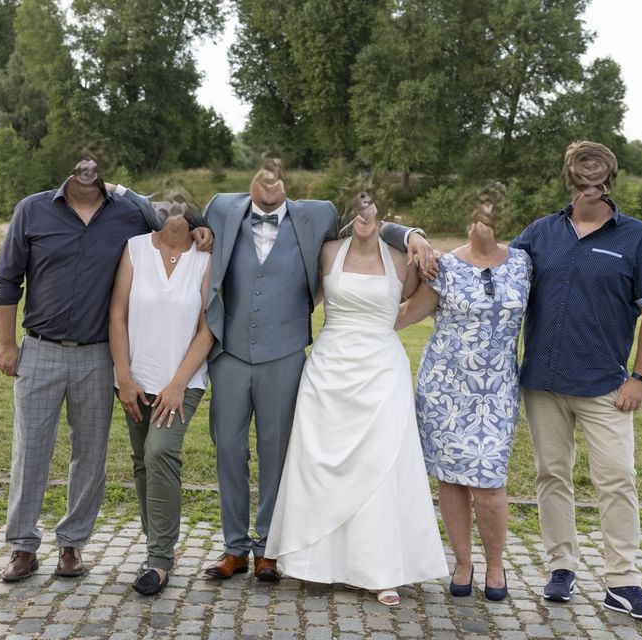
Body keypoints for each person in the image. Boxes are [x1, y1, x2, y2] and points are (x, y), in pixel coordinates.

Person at [200, 161, 439, 583]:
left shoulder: (318, 216)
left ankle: (269, 548)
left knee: (279, 452)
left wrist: (412, 234)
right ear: (250, 180)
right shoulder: (221, 206)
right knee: (228, 450)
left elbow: (369, 224)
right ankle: (234, 547)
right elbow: (179, 220)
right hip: (231, 353)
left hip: (286, 353)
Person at [0, 158, 211, 583]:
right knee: (31, 450)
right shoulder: (32, 209)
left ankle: (72, 545)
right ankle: (22, 546)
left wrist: (206, 230)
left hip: (96, 356)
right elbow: (6, 279)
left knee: (89, 455)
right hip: (39, 349)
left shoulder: (130, 212)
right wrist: (5, 344)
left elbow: (177, 212)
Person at [511, 141, 642, 619]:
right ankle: (561, 567)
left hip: (606, 385)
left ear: (610, 180)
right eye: (582, 178)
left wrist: (640, 377)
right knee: (551, 475)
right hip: (542, 382)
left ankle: (622, 581)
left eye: (599, 178)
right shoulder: (540, 234)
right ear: (570, 179)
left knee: (617, 479)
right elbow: (496, 276)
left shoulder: (635, 236)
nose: (591, 186)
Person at [266, 192, 448, 605]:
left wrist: (414, 237)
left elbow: (425, 297)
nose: (364, 214)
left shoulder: (402, 260)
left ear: (384, 215)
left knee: (380, 466)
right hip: (329, 369)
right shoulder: (326, 251)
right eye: (357, 208)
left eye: (372, 207)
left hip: (381, 370)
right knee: (319, 464)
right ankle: (314, 563)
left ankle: (380, 569)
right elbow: (295, 292)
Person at [396, 184, 531, 602]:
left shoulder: (524, 264)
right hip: (445, 390)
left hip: (496, 392)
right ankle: (461, 563)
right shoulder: (445, 267)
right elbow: (406, 313)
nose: (482, 220)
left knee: (489, 482)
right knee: (451, 480)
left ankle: (494, 565)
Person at [108, 191, 213, 596]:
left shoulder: (205, 259)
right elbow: (117, 313)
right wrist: (124, 375)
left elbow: (208, 327)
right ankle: (158, 548)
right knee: (141, 461)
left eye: (179, 205)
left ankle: (160, 562)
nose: (171, 211)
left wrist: (176, 385)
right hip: (135, 378)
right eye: (163, 206)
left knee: (160, 452)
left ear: (192, 214)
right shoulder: (135, 249)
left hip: (183, 382)